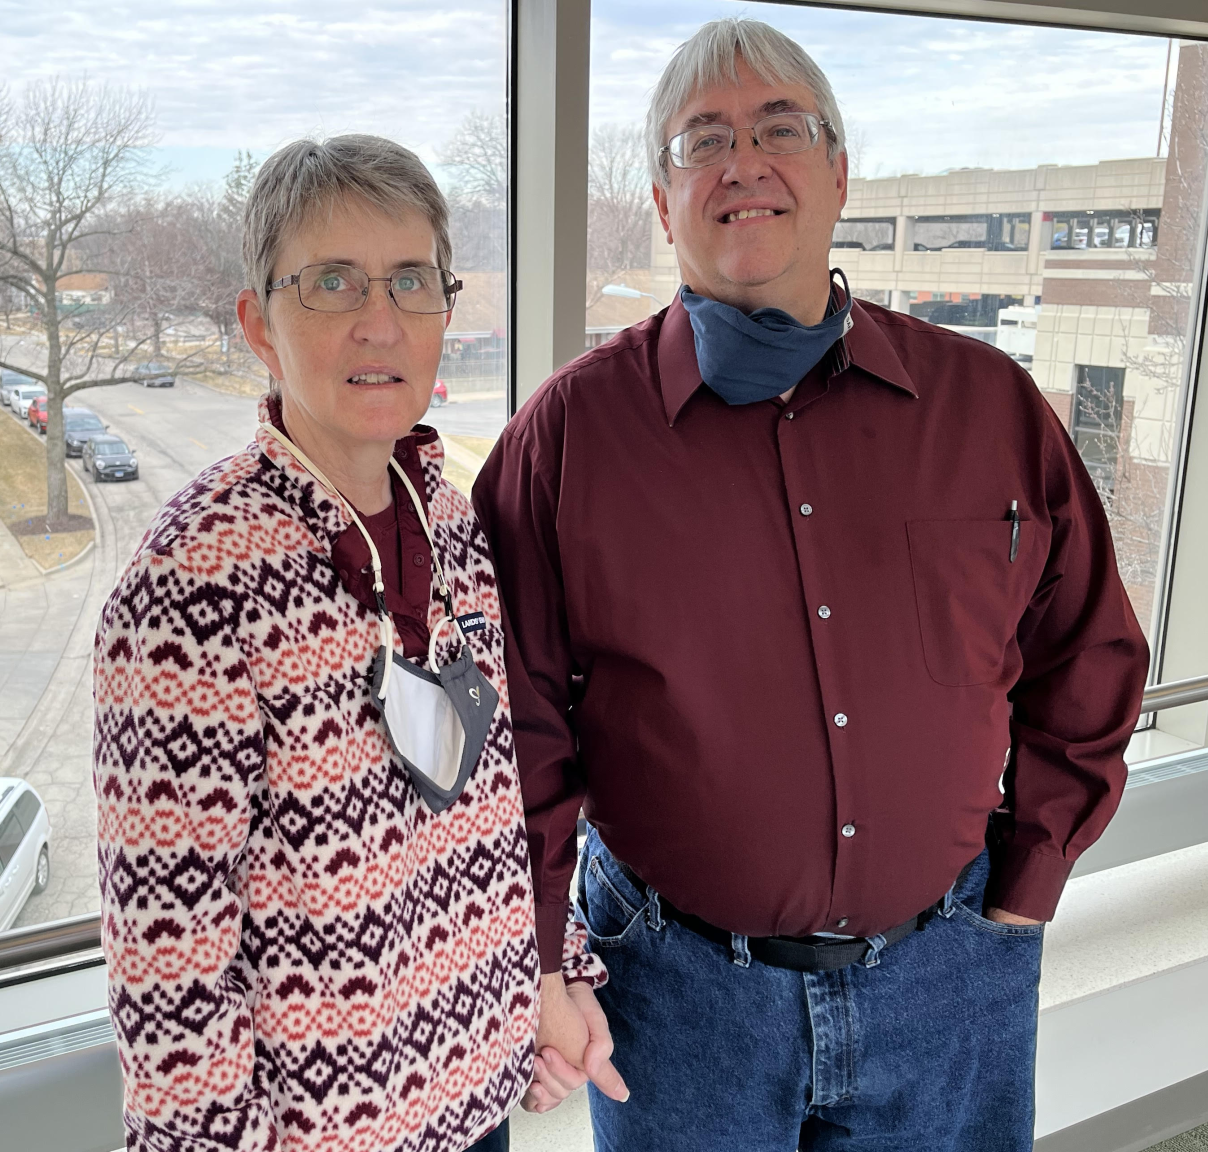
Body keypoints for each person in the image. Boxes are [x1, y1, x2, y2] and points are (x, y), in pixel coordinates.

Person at [474, 18, 1149, 1152]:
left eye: (779, 128)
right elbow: (515, 728)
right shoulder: (567, 439)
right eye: (703, 140)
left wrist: (1026, 881)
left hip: (948, 981)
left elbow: (1087, 653)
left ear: (838, 173)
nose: (743, 162)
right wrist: (540, 954)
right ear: (662, 202)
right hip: (680, 999)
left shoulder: (987, 408)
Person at [92, 134, 604, 1152]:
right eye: (331, 282)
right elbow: (169, 967)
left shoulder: (451, 524)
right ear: (259, 325)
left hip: (476, 1109)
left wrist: (552, 977)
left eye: (411, 280)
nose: (380, 320)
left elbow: (497, 804)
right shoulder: (194, 582)